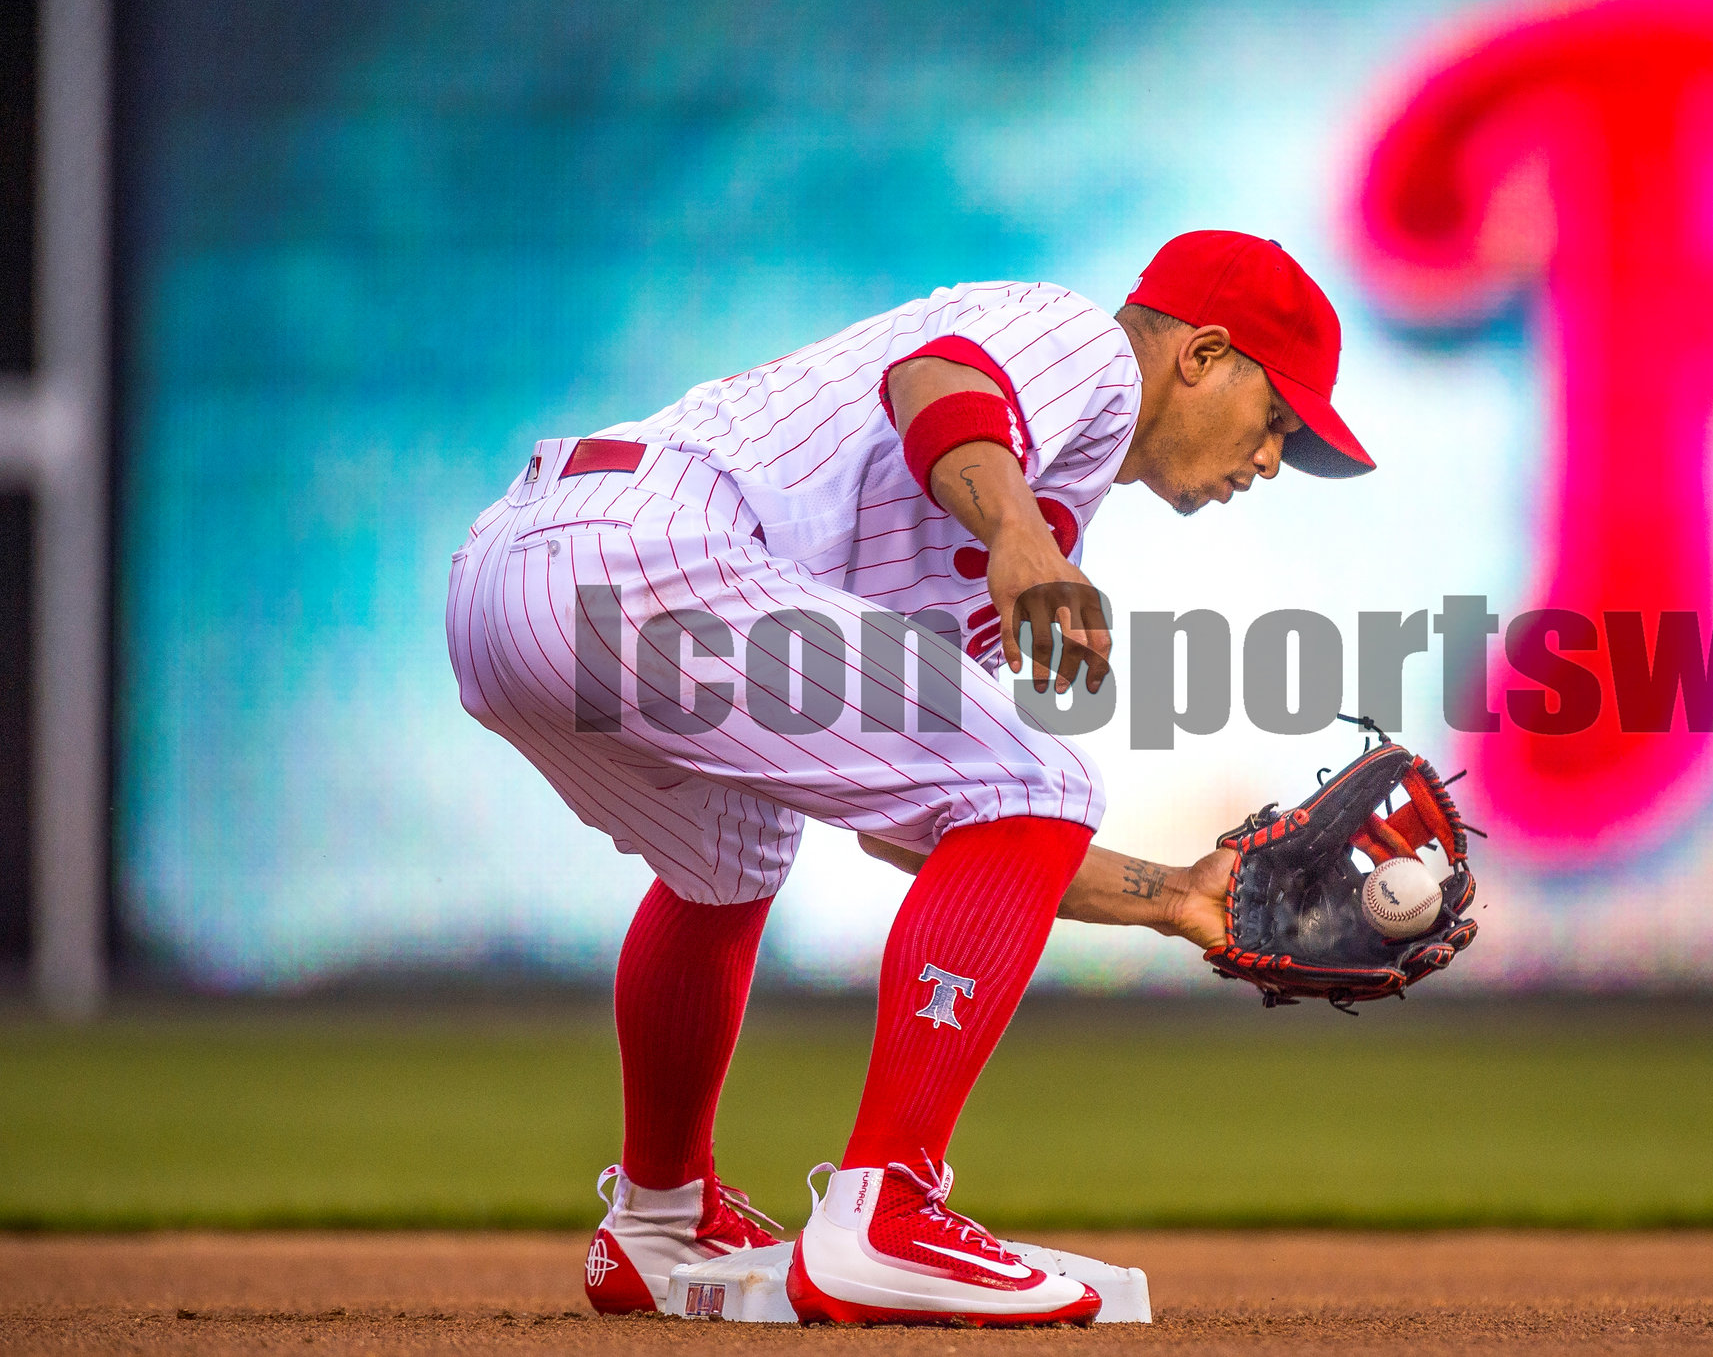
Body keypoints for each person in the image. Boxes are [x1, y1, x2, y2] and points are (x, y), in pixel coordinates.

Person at [444, 231, 1374, 1325]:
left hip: (516, 589)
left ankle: (660, 1218)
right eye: (1278, 420)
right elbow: (937, 378)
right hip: (634, 552)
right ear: (1202, 353)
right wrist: (1021, 533)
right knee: (1039, 773)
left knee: (737, 849)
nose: (1271, 460)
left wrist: (1174, 896)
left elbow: (922, 824)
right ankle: (888, 1207)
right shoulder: (1083, 346)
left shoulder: (1029, 510)